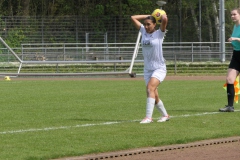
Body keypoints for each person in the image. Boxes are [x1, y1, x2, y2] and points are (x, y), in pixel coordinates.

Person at [131, 11, 169, 123]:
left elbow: (165, 20)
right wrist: (148, 15)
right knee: (153, 94)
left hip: (159, 68)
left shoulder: (159, 33)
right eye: (145, 24)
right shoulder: (143, 31)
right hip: (148, 69)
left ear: (154, 24)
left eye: (149, 24)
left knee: (150, 88)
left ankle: (148, 117)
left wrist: (160, 16)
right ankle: (165, 115)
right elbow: (133, 17)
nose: (146, 26)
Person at [219, 8, 240, 112]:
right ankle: (230, 106)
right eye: (231, 15)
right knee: (229, 79)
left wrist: (235, 39)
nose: (232, 16)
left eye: (234, 14)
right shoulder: (235, 26)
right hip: (236, 55)